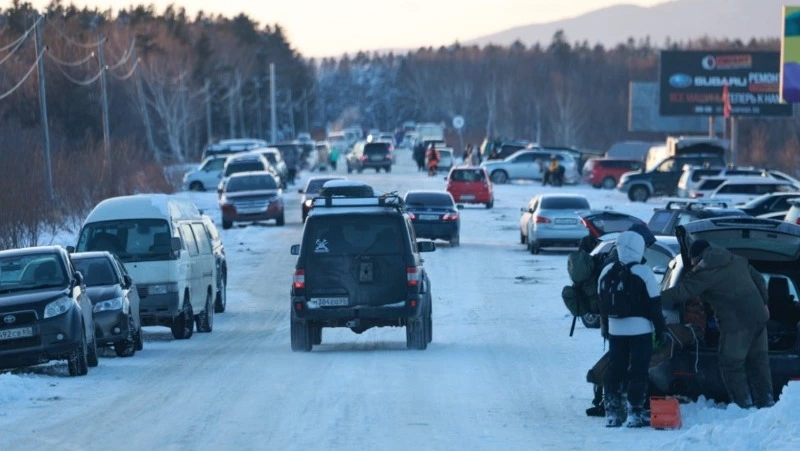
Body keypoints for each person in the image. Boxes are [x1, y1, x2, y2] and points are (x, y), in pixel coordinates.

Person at [660, 239, 773, 409]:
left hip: (737, 323)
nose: (691, 263)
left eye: (691, 259)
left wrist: (653, 300)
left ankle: (743, 407)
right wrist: (763, 303)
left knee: (731, 364)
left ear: (697, 257)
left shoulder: (706, 271)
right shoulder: (736, 259)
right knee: (759, 362)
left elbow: (681, 292)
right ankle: (766, 403)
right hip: (758, 319)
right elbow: (759, 280)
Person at [598, 231, 666, 428]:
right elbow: (655, 305)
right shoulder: (643, 272)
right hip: (640, 331)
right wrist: (661, 330)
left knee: (615, 369)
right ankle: (634, 414)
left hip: (615, 330)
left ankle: (611, 413)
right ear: (637, 248)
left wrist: (605, 328)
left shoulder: (606, 271)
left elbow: (601, 304)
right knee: (638, 371)